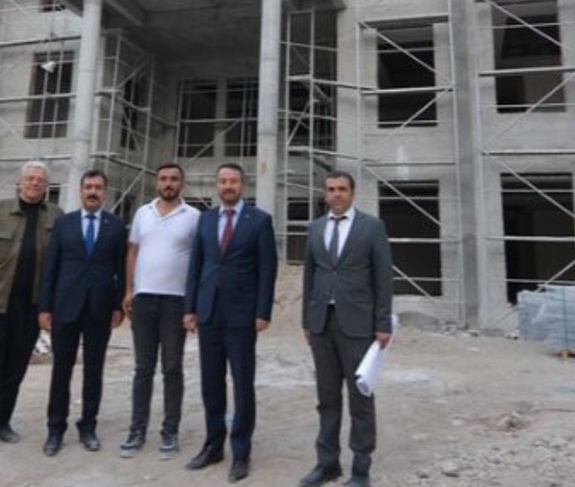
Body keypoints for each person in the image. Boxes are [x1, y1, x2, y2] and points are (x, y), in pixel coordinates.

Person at [183, 163, 277, 483]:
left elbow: (267, 270)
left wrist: (263, 312)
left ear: (243, 185)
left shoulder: (259, 220)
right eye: (222, 181)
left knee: (242, 384)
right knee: (211, 384)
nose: (227, 186)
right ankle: (213, 446)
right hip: (208, 313)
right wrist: (190, 308)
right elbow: (195, 266)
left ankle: (241, 452)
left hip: (242, 316)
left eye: (233, 181)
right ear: (216, 184)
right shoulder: (206, 219)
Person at [298, 171, 393, 487]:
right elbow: (310, 276)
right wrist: (307, 320)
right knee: (327, 398)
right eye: (330, 189)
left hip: (358, 325)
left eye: (341, 189)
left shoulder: (372, 227)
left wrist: (382, 323)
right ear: (325, 194)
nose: (335, 194)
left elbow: (383, 278)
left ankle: (361, 469)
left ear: (352, 193)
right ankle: (327, 464)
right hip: (322, 324)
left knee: (360, 399)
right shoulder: (315, 228)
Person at [0, 160, 63, 455]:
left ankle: (2, 422)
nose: (34, 183)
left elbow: (59, 262)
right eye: (30, 179)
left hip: (31, 307)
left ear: (47, 186)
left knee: (15, 369)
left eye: (40, 180)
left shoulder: (55, 216)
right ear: (20, 182)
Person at [38, 169, 127, 456]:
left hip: (99, 309)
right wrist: (45, 307)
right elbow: (50, 268)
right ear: (80, 191)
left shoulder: (116, 227)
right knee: (61, 371)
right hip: (65, 307)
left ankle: (88, 426)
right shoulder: (63, 224)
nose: (92, 192)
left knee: (94, 370)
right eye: (88, 187)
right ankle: (55, 429)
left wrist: (118, 306)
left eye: (98, 187)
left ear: (105, 192)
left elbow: (121, 270)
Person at [118, 163, 201, 460]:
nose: (168, 183)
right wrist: (129, 290)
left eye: (174, 179)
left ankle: (170, 432)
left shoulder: (193, 217)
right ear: (156, 182)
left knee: (172, 368)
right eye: (163, 178)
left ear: (182, 183)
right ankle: (137, 430)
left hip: (176, 303)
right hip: (144, 300)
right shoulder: (143, 213)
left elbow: (199, 261)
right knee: (143, 368)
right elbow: (133, 252)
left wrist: (193, 305)